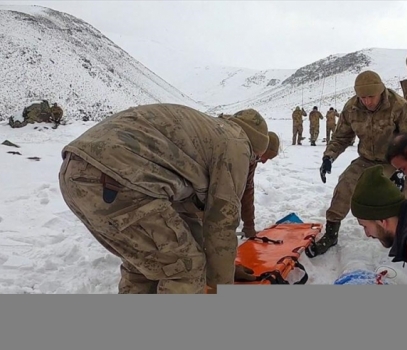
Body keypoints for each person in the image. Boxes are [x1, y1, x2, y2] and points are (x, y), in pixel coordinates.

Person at [58, 104, 270, 294]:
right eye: (258, 159)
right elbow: (221, 225)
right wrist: (221, 285)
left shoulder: (209, 133)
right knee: (185, 267)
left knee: (147, 262)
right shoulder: (236, 144)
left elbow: (187, 216)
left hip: (75, 171)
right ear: (256, 149)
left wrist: (225, 267)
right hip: (119, 178)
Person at [305, 70, 407, 258]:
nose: (367, 101)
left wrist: (403, 170)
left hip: (394, 160)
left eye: (371, 97)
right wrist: (328, 157)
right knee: (345, 185)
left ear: (381, 91)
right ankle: (331, 234)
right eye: (363, 97)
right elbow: (341, 136)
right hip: (367, 159)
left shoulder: (399, 106)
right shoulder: (352, 108)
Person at [241, 131, 280, 238]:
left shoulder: (252, 159)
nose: (264, 162)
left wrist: (249, 224)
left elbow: (247, 190)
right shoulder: (240, 154)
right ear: (262, 149)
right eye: (266, 157)